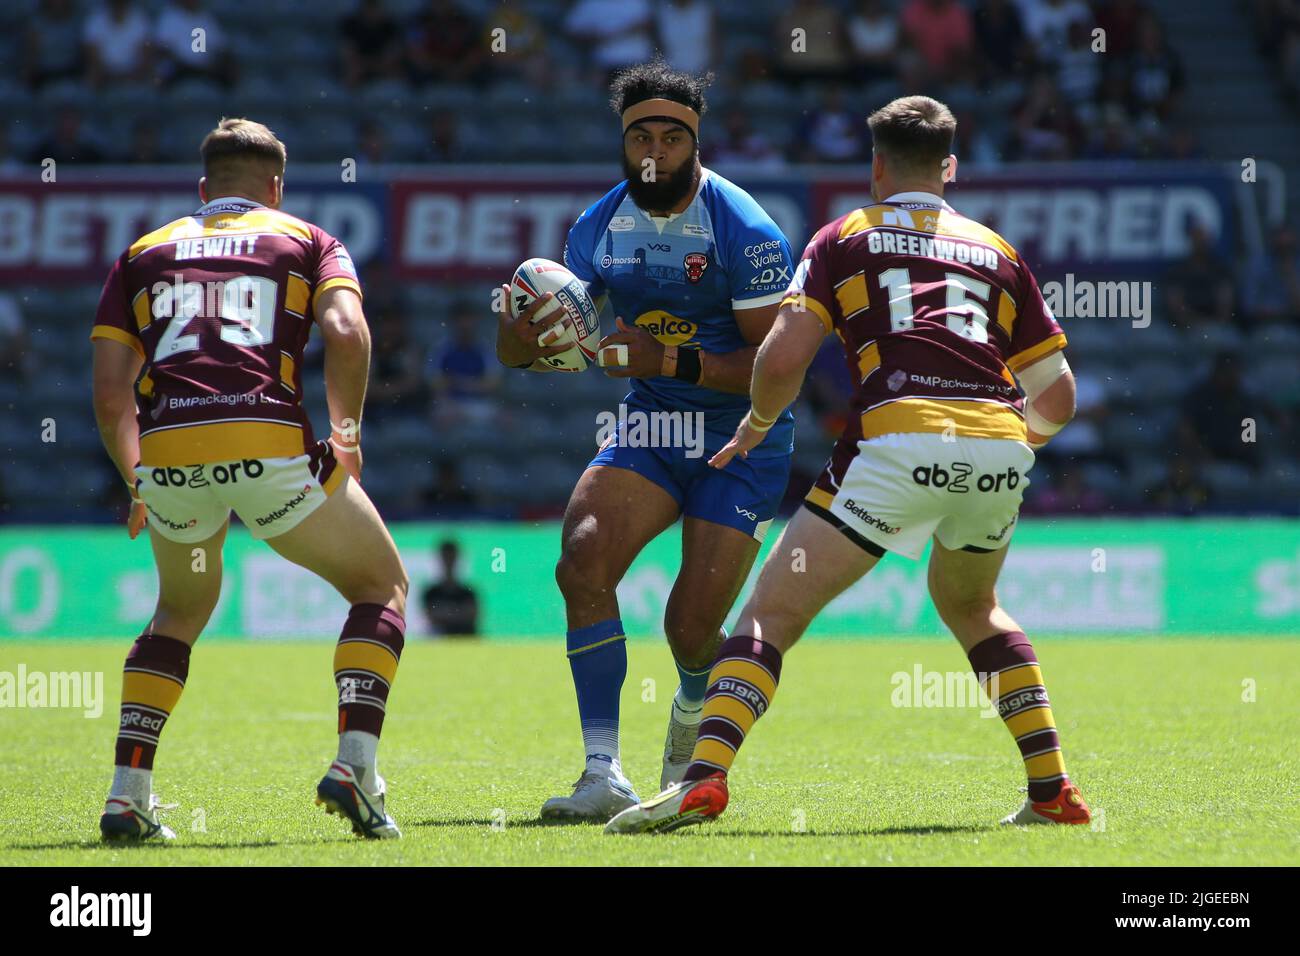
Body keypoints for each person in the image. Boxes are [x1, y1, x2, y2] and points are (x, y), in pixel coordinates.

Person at [607, 95, 1092, 834]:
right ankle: (1052, 790)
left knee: (771, 613)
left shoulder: (846, 236)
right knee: (973, 606)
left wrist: (758, 423)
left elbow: (784, 354)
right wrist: (1009, 447)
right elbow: (1058, 395)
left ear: (875, 167)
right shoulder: (999, 250)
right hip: (999, 443)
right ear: (950, 168)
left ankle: (703, 779)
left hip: (896, 441)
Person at [90, 118, 410, 842]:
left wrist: (137, 480)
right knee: (380, 587)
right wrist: (348, 437)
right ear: (275, 187)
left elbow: (111, 394)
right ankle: (355, 765)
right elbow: (350, 333)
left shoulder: (140, 253)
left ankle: (126, 795)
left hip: (171, 454)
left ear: (203, 189)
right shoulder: (306, 238)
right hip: (271, 446)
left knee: (177, 613)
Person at [495, 60, 795, 821]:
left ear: (695, 141)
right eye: (641, 135)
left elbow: (776, 370)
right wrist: (518, 330)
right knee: (583, 557)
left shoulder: (747, 229)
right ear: (622, 141)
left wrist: (669, 358)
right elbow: (533, 351)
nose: (655, 150)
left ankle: (694, 712)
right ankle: (602, 774)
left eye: (671, 135)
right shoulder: (595, 228)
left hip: (743, 438)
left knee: (691, 630)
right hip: (653, 424)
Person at [422, 540, 479, 636]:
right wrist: (458, 612)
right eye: (446, 557)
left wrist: (445, 613)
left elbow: (472, 616)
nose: (449, 561)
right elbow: (431, 617)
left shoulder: (468, 593)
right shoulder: (432, 592)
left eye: (451, 557)